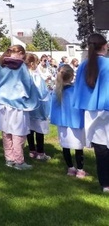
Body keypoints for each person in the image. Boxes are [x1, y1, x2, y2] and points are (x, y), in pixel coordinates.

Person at [0, 45, 40, 170]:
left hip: (1, 102)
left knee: (6, 132)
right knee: (18, 132)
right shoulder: (21, 67)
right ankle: (19, 161)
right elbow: (28, 84)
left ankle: (9, 158)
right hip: (16, 103)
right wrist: (29, 97)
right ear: (21, 53)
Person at [72, 33, 109, 193]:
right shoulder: (107, 64)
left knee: (100, 149)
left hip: (91, 111)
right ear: (104, 46)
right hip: (106, 107)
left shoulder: (83, 65)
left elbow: (78, 89)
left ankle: (105, 184)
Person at [51, 65, 86, 178]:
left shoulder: (56, 91)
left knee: (66, 146)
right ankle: (80, 170)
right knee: (78, 147)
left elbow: (53, 108)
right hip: (76, 123)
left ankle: (70, 168)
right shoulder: (75, 91)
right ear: (71, 76)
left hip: (63, 124)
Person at [25, 53, 52, 161]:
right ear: (32, 64)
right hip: (38, 106)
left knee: (30, 129)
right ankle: (40, 152)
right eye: (36, 63)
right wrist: (47, 90)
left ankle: (32, 150)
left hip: (28, 107)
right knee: (39, 129)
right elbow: (42, 92)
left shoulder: (24, 76)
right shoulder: (35, 76)